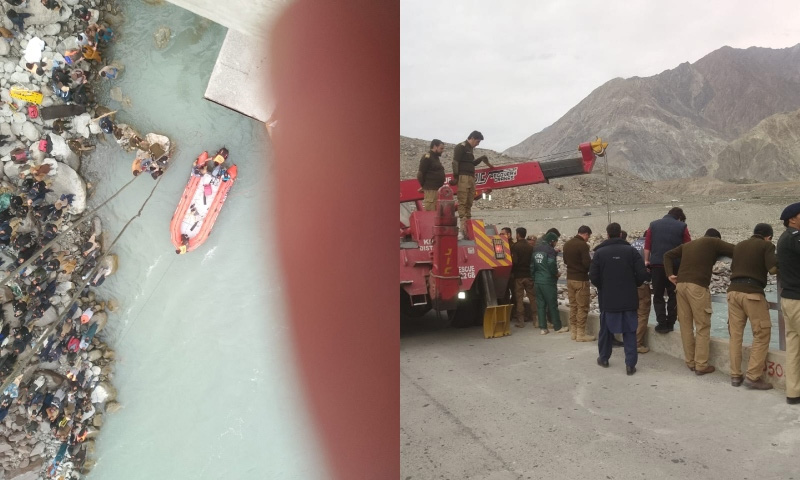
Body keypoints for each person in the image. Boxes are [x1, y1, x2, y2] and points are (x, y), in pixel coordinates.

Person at [664, 228, 734, 374]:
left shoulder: (688, 245)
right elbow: (736, 250)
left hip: (680, 286)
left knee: (686, 326)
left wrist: (670, 274)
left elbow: (667, 255)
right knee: (702, 325)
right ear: (717, 238)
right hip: (697, 287)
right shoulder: (714, 242)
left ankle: (690, 362)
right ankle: (701, 365)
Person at [590, 223, 649, 375]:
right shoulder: (631, 251)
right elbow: (642, 274)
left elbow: (593, 276)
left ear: (607, 234)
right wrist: (634, 284)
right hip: (628, 299)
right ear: (621, 235)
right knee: (630, 331)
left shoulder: (600, 253)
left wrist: (604, 287)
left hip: (608, 300)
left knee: (605, 330)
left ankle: (604, 358)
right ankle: (630, 365)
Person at [727, 223, 777, 390]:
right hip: (752, 293)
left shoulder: (739, 245)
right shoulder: (767, 245)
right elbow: (773, 269)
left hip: (733, 292)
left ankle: (735, 375)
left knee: (735, 335)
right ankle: (753, 377)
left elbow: (733, 268)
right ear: (768, 237)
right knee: (762, 333)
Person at [645, 207, 691, 333]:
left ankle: (661, 323)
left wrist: (647, 260)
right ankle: (670, 323)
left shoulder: (653, 225)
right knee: (673, 295)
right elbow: (688, 246)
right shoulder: (682, 226)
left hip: (656, 265)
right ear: (679, 218)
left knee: (658, 295)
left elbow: (647, 245)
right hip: (675, 266)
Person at [449, 131, 493, 237]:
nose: (478, 144)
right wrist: (456, 177)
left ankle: (468, 224)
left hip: (471, 177)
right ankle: (463, 226)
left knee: (469, 200)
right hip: (463, 177)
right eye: (477, 141)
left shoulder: (470, 149)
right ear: (472, 138)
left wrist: (481, 159)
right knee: (463, 200)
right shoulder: (461, 147)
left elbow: (471, 163)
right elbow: (455, 162)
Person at [778, 202, 800, 404]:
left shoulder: (784, 238)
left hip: (787, 299)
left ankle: (793, 393)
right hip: (798, 300)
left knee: (793, 348)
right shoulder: (795, 238)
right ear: (792, 219)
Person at [563, 225, 595, 342]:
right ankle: (581, 334)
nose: (588, 239)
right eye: (588, 236)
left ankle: (574, 332)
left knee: (573, 306)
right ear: (585, 234)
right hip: (581, 280)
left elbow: (565, 261)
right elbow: (587, 264)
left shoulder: (567, 244)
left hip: (570, 279)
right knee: (582, 306)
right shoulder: (583, 245)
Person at [531, 231, 565, 335]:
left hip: (538, 281)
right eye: (555, 242)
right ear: (552, 241)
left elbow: (532, 266)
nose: (555, 244)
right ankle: (558, 327)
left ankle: (543, 328)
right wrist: (556, 273)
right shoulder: (550, 250)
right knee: (552, 304)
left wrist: (534, 278)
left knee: (540, 304)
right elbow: (551, 263)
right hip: (548, 281)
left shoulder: (536, 249)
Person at [510, 227, 535, 328]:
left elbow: (514, 262)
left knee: (519, 299)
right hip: (529, 275)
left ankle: (521, 321)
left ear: (518, 234)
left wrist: (512, 272)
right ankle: (536, 320)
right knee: (532, 298)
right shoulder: (530, 247)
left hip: (519, 277)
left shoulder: (515, 247)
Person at [415, 139, 445, 211]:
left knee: (436, 211)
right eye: (441, 148)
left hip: (436, 189)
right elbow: (420, 174)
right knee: (430, 211)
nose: (442, 150)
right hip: (430, 190)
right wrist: (425, 186)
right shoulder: (427, 157)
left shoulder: (435, 158)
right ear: (435, 146)